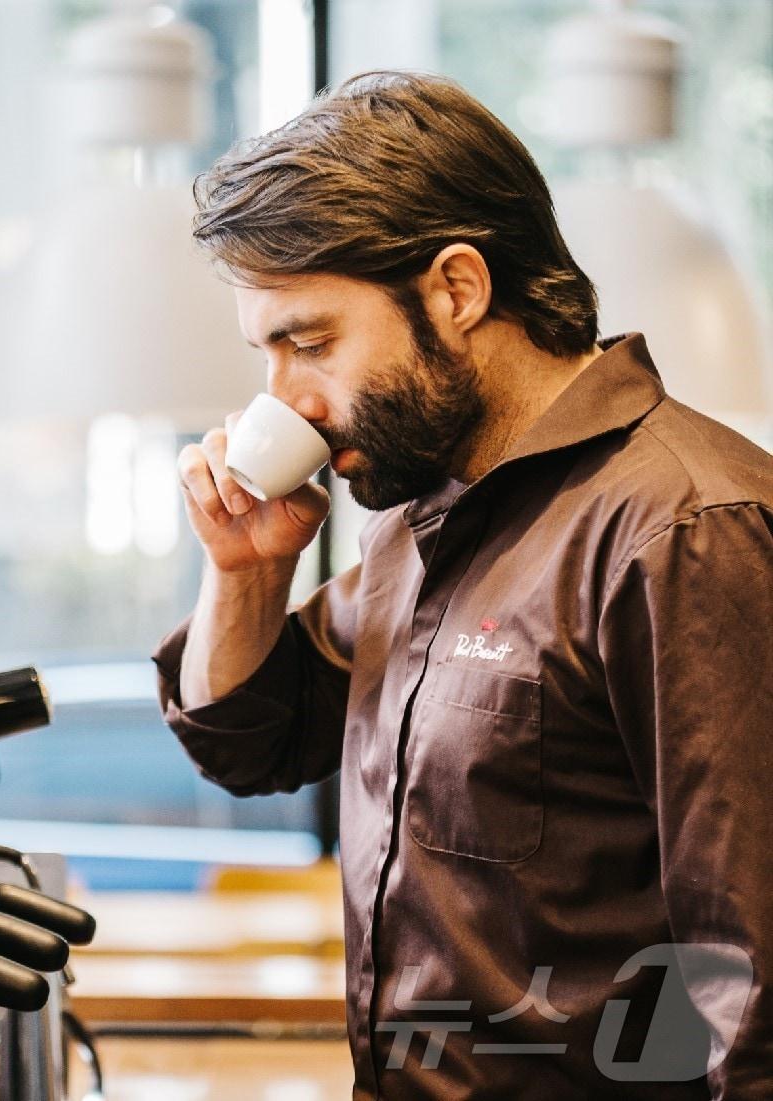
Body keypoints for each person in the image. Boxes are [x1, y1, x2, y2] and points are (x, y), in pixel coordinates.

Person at [153, 71, 773, 1100]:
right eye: (267, 354)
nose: (287, 399)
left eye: (310, 341)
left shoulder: (687, 532)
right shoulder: (421, 512)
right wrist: (247, 576)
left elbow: (754, 996)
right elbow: (253, 743)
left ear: (456, 290)